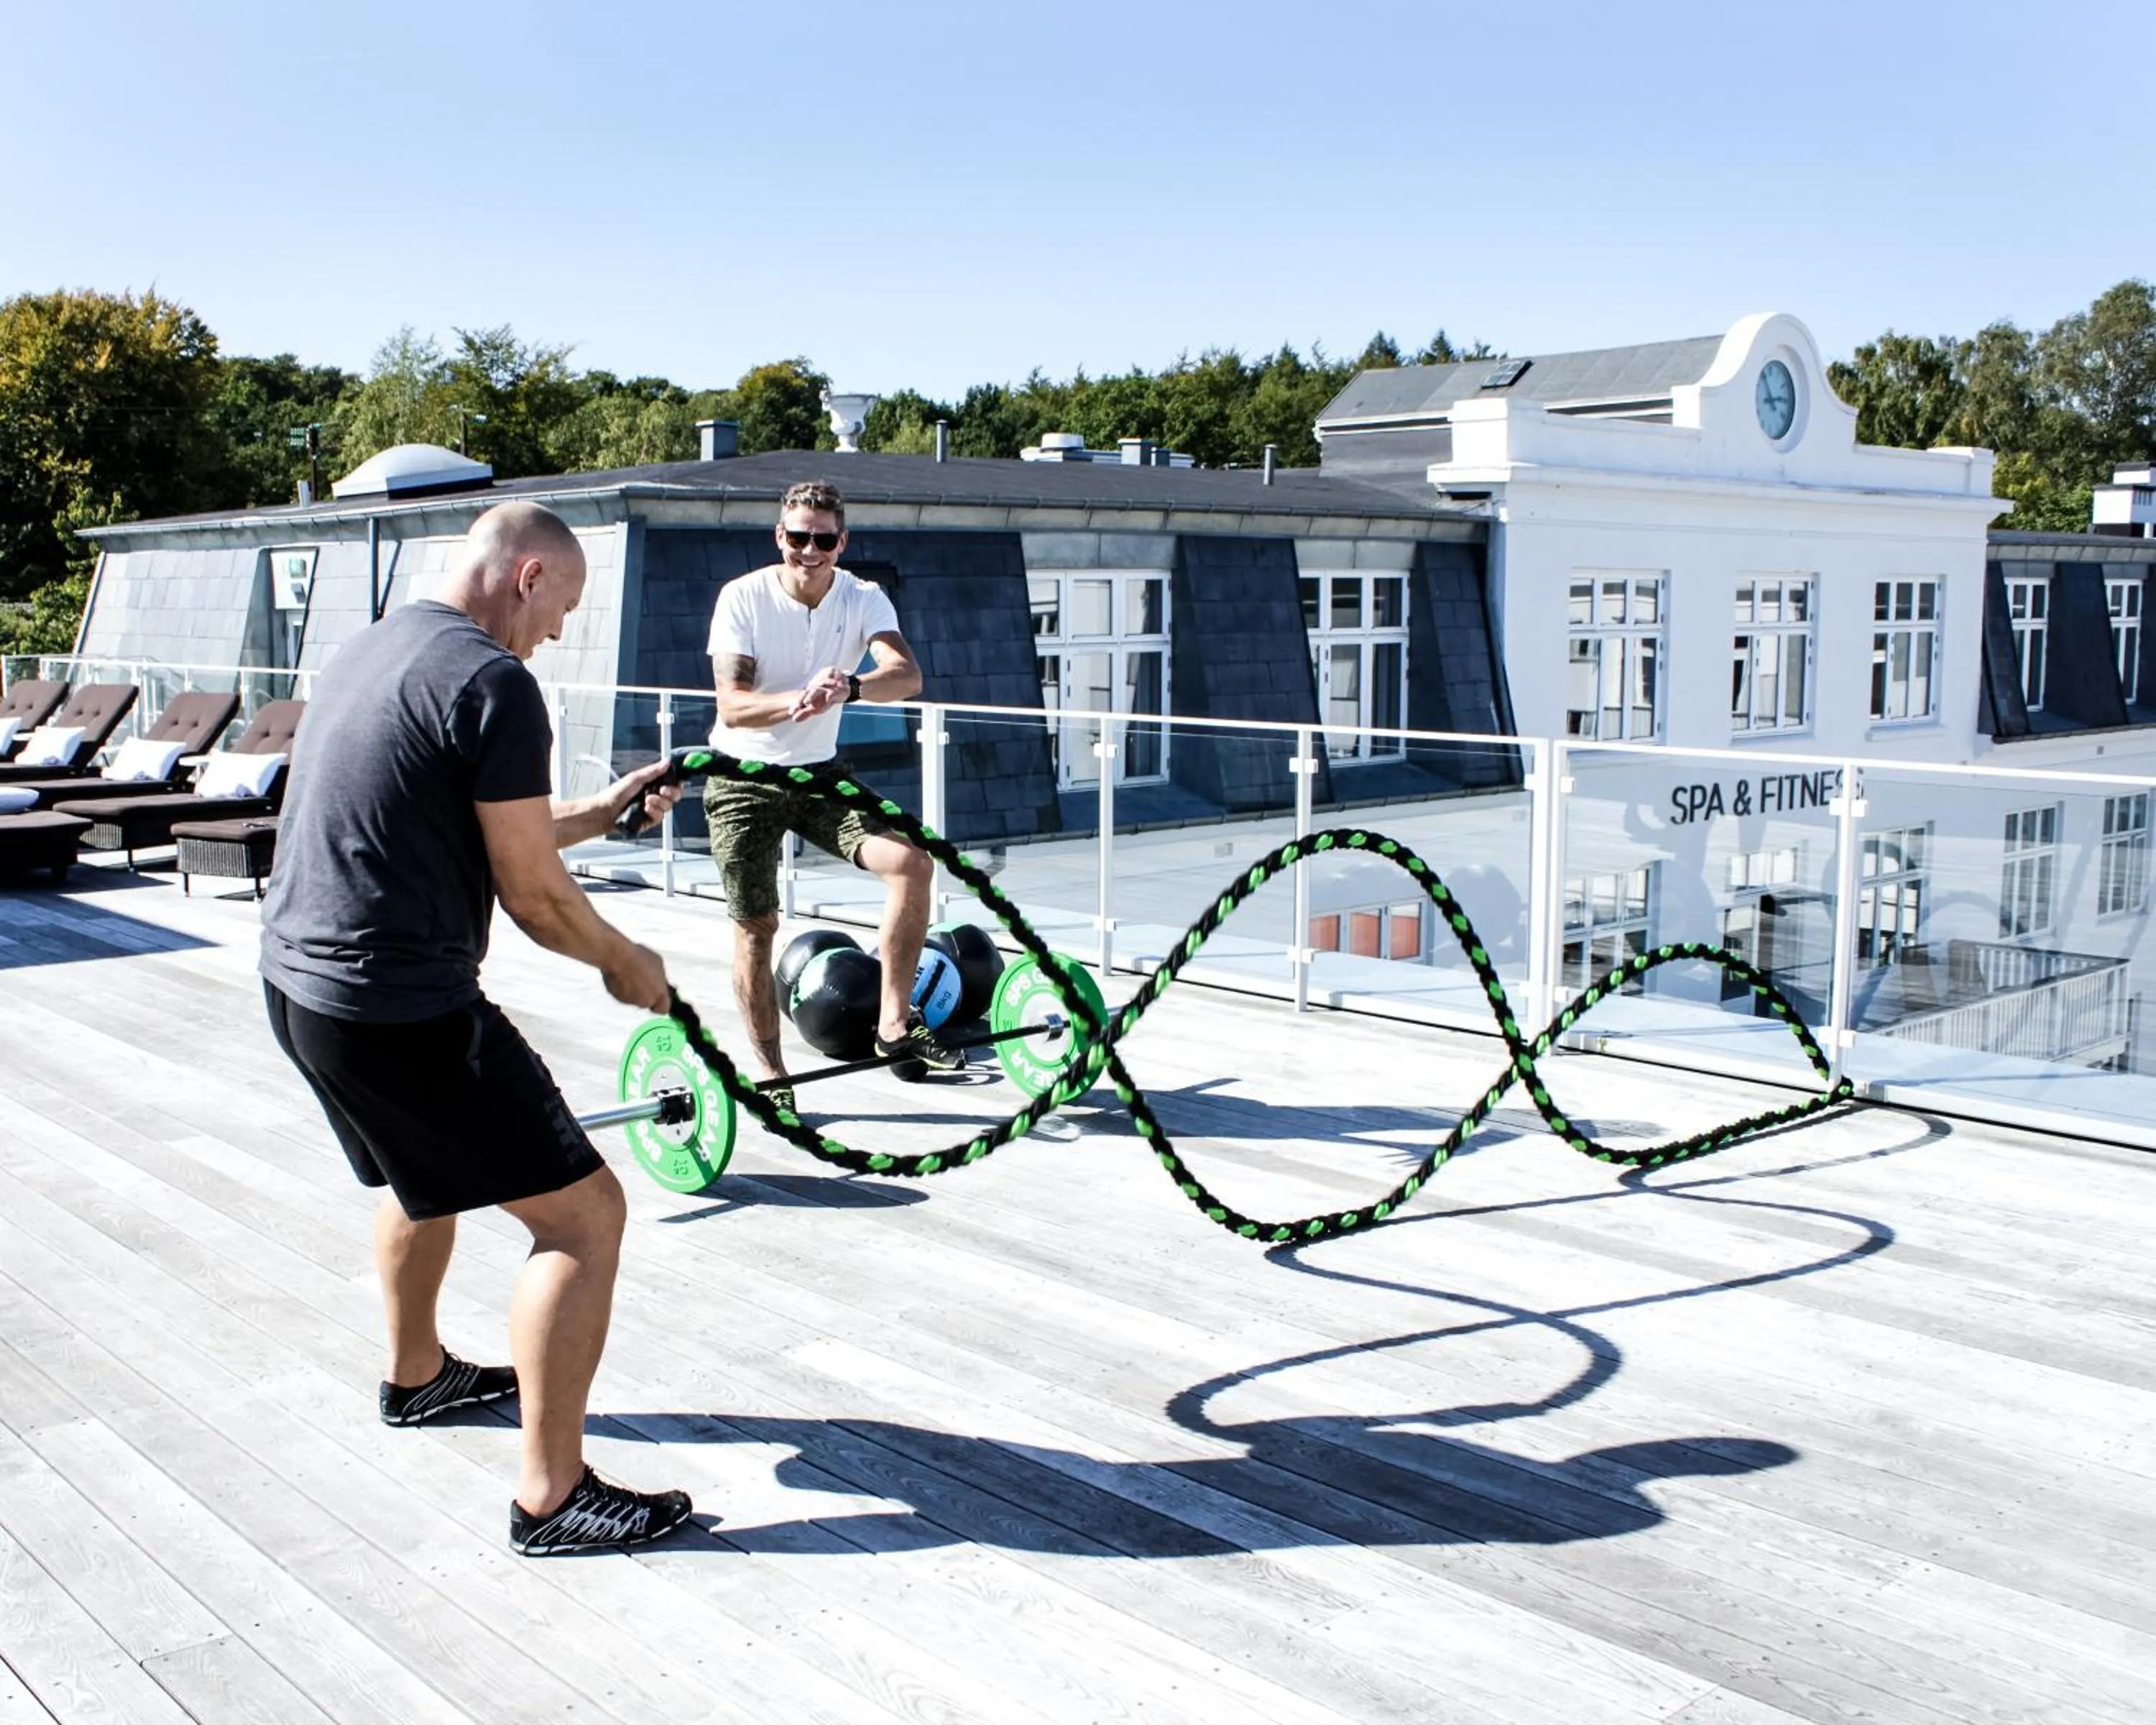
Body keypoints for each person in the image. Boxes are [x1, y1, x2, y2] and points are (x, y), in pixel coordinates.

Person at [259, 500, 696, 1557]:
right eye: (564, 610)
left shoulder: (382, 645)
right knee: (584, 1217)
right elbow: (535, 897)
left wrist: (602, 811)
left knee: (418, 1174)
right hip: (399, 1005)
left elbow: (464, 811)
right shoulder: (497, 683)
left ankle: (417, 1379)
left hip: (299, 986)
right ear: (530, 574)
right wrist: (628, 964)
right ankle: (553, 1498)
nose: (557, 636)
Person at [704, 480, 962, 1109]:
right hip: (744, 778)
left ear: (841, 542)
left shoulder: (862, 596)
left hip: (820, 773)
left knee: (911, 863)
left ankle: (894, 1027)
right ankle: (770, 1071)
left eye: (823, 539)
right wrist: (796, 702)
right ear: (780, 537)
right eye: (798, 537)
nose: (810, 550)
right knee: (757, 926)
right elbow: (733, 708)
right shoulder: (742, 598)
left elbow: (907, 676)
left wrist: (849, 686)